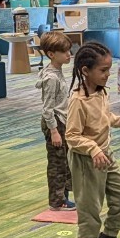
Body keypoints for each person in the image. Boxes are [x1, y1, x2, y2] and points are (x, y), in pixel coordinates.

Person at [66, 41, 120, 238]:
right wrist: (93, 148)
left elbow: (105, 116)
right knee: (90, 207)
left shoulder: (100, 92)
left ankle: (107, 237)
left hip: (105, 155)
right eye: (103, 70)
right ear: (86, 71)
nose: (108, 75)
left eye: (109, 69)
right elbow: (72, 136)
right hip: (86, 160)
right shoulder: (78, 100)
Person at [36, 30, 75, 211]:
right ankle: (57, 200)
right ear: (52, 54)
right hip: (55, 123)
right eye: (64, 52)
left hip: (61, 121)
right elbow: (47, 108)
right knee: (57, 164)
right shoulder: (51, 77)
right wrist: (54, 131)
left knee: (65, 161)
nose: (69, 54)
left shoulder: (57, 72)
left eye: (69, 50)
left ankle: (64, 196)